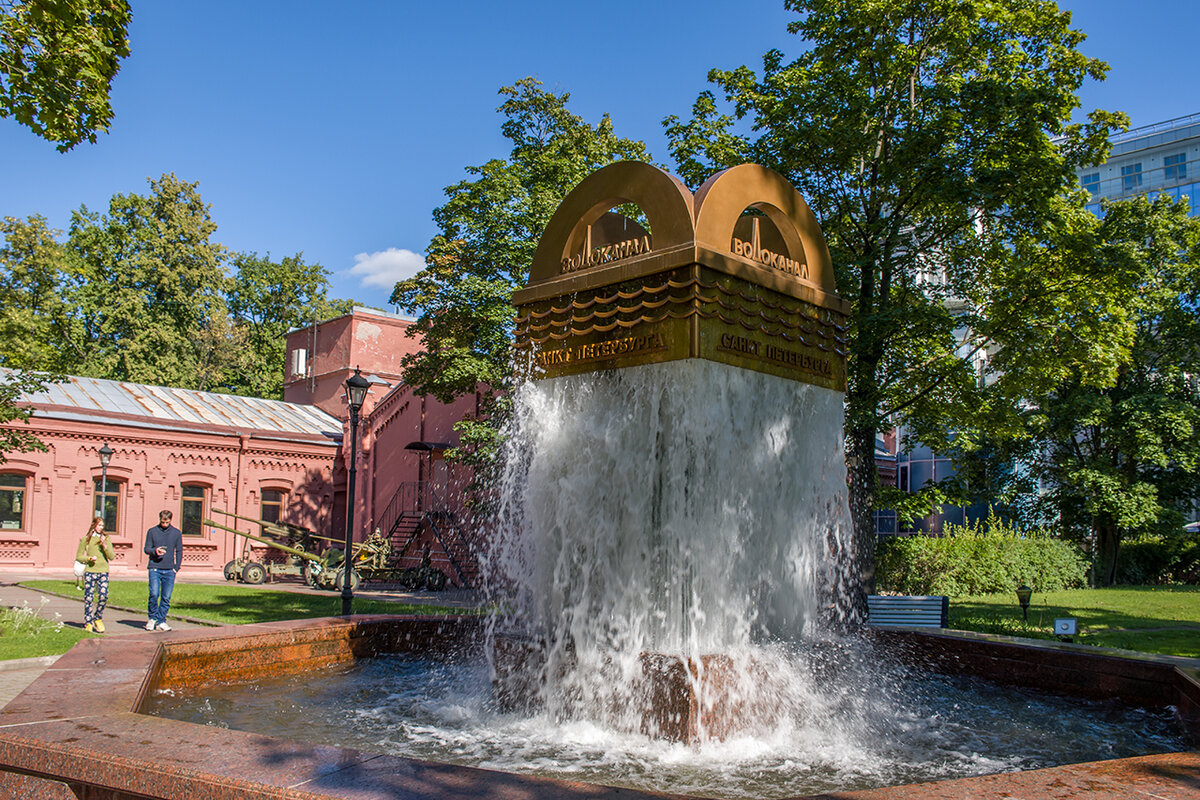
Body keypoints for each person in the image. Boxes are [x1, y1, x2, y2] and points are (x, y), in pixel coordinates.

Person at [143, 509, 183, 631]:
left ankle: (161, 620)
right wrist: (155, 551)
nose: (164, 525)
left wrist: (176, 567)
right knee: (154, 594)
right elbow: (146, 548)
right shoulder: (152, 532)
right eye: (162, 522)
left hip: (169, 570)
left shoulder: (176, 533)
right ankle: (152, 618)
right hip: (155, 568)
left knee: (166, 597)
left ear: (170, 520)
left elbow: (179, 550)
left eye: (167, 522)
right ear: (160, 519)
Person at [76, 516, 115, 633]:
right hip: (90, 571)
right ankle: (88, 622)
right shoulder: (86, 539)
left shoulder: (106, 538)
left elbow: (111, 556)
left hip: (103, 571)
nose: (101, 527)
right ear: (94, 525)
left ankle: (98, 617)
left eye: (102, 525)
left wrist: (105, 546)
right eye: (99, 525)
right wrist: (88, 558)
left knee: (103, 596)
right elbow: (78, 556)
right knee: (89, 597)